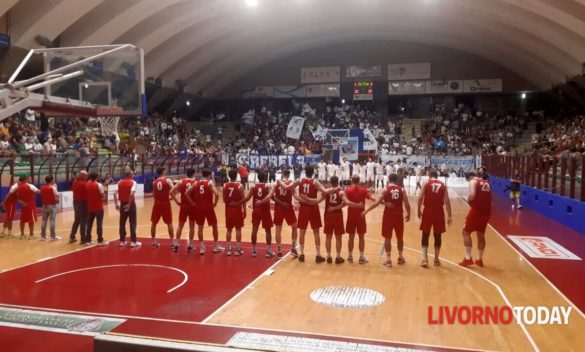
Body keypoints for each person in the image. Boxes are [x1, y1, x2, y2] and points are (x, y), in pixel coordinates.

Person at [279, 165, 333, 263]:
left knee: (302, 231)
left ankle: (302, 254)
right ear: (313, 172)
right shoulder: (315, 182)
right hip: (313, 207)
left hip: (303, 208)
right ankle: (318, 255)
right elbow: (325, 192)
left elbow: (286, 187)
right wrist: (320, 198)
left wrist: (279, 182)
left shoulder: (299, 181)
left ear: (304, 171)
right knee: (316, 232)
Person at [363, 173, 410, 267]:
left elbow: (377, 202)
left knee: (387, 238)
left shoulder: (385, 189)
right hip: (398, 216)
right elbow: (406, 202)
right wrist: (409, 214)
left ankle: (388, 260)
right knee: (400, 237)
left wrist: (367, 210)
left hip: (388, 216)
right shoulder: (402, 189)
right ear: (396, 180)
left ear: (389, 180)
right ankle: (400, 257)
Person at [417, 170, 452, 267]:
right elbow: (447, 201)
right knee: (438, 235)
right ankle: (436, 259)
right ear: (437, 176)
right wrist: (449, 216)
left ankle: (424, 259)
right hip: (439, 212)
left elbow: (420, 197)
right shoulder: (443, 185)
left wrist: (418, 209)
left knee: (425, 234)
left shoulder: (426, 183)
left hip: (428, 210)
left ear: (429, 176)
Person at [238, 171, 275, 257]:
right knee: (268, 231)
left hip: (256, 211)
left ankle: (254, 250)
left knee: (254, 230)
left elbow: (247, 199)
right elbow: (272, 197)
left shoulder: (253, 186)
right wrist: (280, 202)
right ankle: (268, 251)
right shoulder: (267, 186)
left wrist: (238, 202)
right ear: (265, 178)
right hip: (265, 210)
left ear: (258, 178)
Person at [459, 172, 492, 267]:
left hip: (477, 210)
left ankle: (468, 258)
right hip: (487, 211)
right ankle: (479, 259)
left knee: (465, 232)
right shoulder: (486, 182)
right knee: (481, 233)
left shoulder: (473, 181)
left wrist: (468, 200)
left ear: (469, 177)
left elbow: (472, 194)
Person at [187, 169, 223, 254]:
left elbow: (186, 193)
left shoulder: (196, 183)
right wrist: (215, 203)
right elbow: (217, 194)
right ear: (209, 175)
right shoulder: (210, 183)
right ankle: (215, 246)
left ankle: (202, 248)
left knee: (200, 227)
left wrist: (193, 203)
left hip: (199, 208)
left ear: (202, 174)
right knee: (214, 226)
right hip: (208, 207)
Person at [322, 176, 353, 264]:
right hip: (337, 215)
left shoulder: (327, 191)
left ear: (330, 182)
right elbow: (345, 203)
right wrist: (335, 208)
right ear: (338, 182)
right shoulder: (341, 192)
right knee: (338, 238)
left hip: (328, 215)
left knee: (328, 237)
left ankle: (328, 256)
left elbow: (320, 198)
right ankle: (338, 257)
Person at [345, 175, 374, 264]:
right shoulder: (363, 190)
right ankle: (361, 257)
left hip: (351, 217)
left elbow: (345, 201)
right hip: (361, 216)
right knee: (361, 237)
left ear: (352, 181)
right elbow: (372, 198)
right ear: (359, 181)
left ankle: (350, 256)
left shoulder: (348, 190)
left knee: (351, 237)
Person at [272, 169, 298, 258]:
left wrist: (280, 202)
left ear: (282, 174)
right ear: (289, 175)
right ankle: (293, 248)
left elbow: (272, 196)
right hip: (288, 208)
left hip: (279, 207)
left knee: (278, 229)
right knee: (294, 227)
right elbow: (295, 194)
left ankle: (279, 250)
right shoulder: (291, 183)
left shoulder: (276, 183)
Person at [171, 168, 197, 252]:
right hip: (192, 206)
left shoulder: (181, 182)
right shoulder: (195, 183)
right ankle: (190, 245)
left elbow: (171, 192)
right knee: (192, 226)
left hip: (183, 206)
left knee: (180, 225)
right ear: (194, 174)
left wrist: (177, 201)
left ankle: (176, 244)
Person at [150, 167, 175, 248]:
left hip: (157, 203)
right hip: (165, 202)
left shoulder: (154, 182)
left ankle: (153, 241)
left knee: (154, 223)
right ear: (163, 172)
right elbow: (174, 189)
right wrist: (172, 197)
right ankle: (172, 242)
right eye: (165, 170)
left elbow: (153, 195)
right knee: (169, 222)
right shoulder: (167, 180)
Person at [115, 171, 140, 247]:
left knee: (122, 222)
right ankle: (133, 241)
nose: (134, 175)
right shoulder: (133, 182)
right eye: (133, 174)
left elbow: (114, 193)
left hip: (122, 204)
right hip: (130, 204)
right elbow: (132, 194)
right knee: (132, 222)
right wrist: (129, 204)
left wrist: (116, 203)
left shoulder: (119, 182)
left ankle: (122, 241)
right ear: (130, 175)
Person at [223, 169, 246, 256]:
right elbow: (243, 200)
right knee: (238, 229)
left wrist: (230, 203)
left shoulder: (225, 185)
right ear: (236, 176)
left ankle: (229, 249)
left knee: (229, 230)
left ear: (229, 176)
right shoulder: (240, 186)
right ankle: (238, 249)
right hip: (237, 210)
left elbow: (224, 199)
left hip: (228, 210)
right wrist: (245, 210)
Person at [85, 172, 108, 246]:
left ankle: (88, 240)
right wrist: (103, 197)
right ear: (97, 177)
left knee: (89, 224)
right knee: (99, 224)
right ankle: (100, 240)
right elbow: (103, 196)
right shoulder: (99, 185)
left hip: (90, 207)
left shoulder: (87, 185)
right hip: (98, 207)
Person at [16, 175, 40, 240]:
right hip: (30, 205)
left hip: (24, 206)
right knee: (31, 220)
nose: (30, 179)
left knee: (22, 220)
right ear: (25, 179)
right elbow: (39, 192)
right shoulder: (30, 186)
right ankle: (31, 235)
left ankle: (22, 234)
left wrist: (22, 202)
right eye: (29, 178)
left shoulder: (18, 187)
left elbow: (17, 198)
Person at [69, 171, 88, 243]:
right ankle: (83, 239)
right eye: (86, 176)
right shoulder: (85, 184)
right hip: (83, 203)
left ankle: (72, 236)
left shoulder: (74, 182)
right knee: (83, 221)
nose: (87, 177)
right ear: (82, 176)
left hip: (75, 202)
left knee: (77, 220)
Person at [40, 175, 60, 241]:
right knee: (52, 220)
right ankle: (53, 236)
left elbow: (41, 194)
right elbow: (57, 195)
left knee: (44, 220)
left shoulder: (42, 187)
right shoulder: (53, 188)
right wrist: (57, 199)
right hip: (52, 205)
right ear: (51, 180)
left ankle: (43, 236)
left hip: (44, 205)